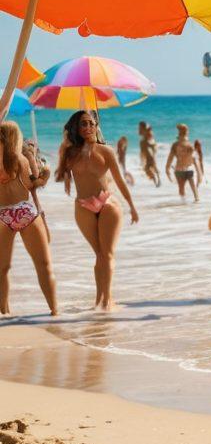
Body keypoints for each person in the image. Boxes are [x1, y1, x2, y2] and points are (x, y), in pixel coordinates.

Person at [56, 111, 138, 311]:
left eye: (91, 123)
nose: (87, 127)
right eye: (83, 124)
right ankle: (99, 299)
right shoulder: (71, 153)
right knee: (99, 255)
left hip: (107, 202)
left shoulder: (106, 151)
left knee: (107, 254)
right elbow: (60, 175)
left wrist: (132, 206)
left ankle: (107, 300)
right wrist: (63, 147)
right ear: (76, 128)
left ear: (96, 126)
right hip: (83, 205)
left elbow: (119, 180)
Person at [0, 121, 56, 316]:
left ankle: (5, 313)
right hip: (26, 211)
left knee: (2, 269)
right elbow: (34, 183)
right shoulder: (22, 159)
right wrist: (45, 172)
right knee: (44, 265)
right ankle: (54, 310)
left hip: (2, 215)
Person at [165, 124, 201, 202]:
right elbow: (194, 161)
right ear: (186, 133)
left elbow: (170, 158)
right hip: (187, 169)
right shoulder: (189, 145)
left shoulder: (177, 145)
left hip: (180, 170)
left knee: (182, 189)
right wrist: (199, 173)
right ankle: (192, 203)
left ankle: (184, 204)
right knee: (193, 188)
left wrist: (167, 168)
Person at [139, 122, 160, 186]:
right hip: (149, 154)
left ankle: (156, 180)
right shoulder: (145, 138)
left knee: (148, 168)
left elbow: (151, 145)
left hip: (149, 155)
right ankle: (157, 180)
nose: (139, 129)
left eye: (140, 128)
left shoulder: (146, 138)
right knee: (150, 167)